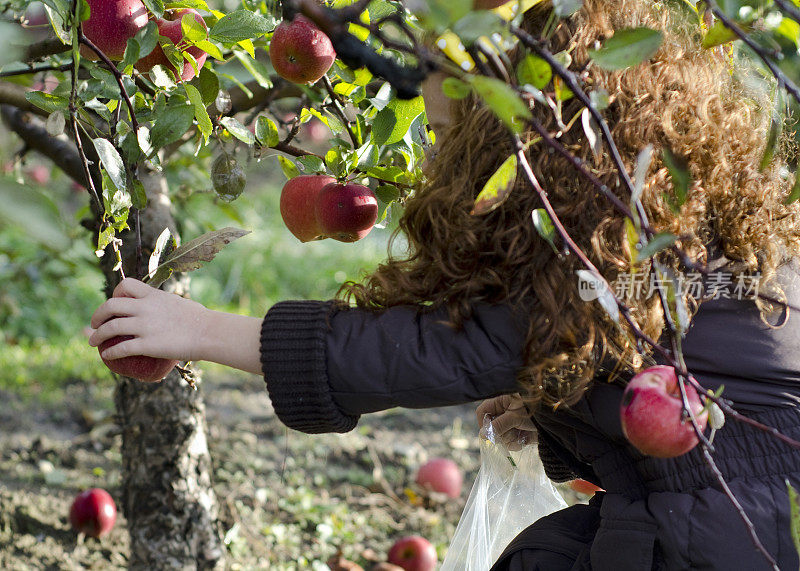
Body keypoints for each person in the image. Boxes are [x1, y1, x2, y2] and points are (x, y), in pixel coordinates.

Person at [88, 0, 800, 568]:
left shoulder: (590, 252)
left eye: (449, 139)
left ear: (526, 144)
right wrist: (552, 394)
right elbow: (647, 355)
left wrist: (207, 331)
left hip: (720, 538)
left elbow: (434, 349)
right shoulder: (685, 227)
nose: (436, 161)